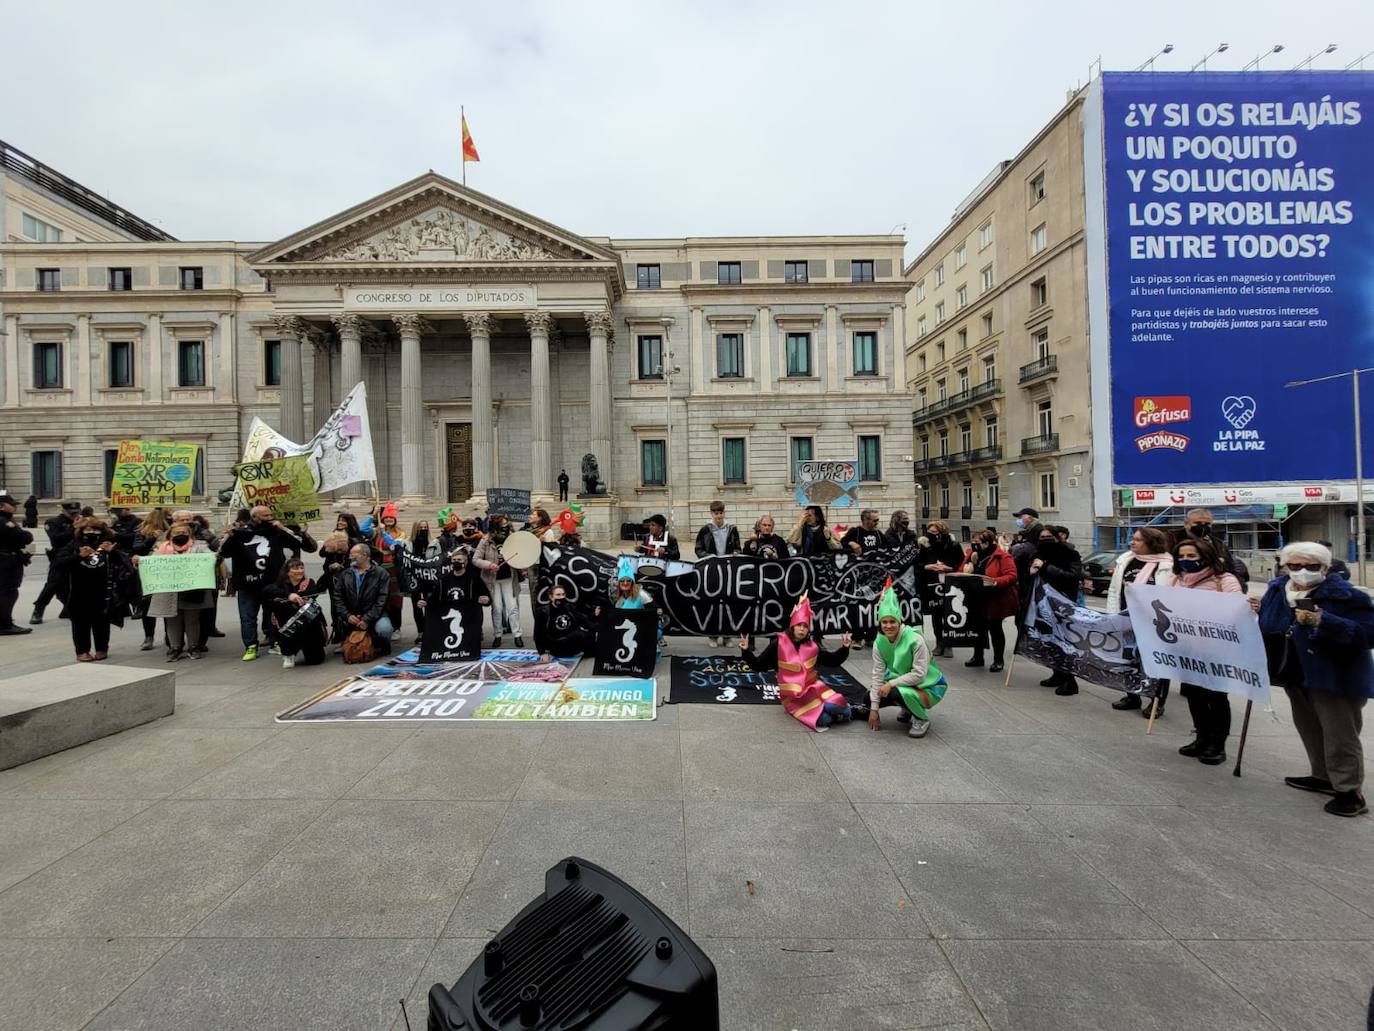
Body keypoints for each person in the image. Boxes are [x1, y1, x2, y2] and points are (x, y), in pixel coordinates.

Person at [1256, 541, 1373, 817]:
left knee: (1340, 734)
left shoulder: (1346, 596)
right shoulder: (1276, 590)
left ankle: (1349, 790)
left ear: (1325, 568)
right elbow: (1270, 625)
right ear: (1285, 567)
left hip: (1335, 675)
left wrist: (1324, 621)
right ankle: (1322, 775)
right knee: (1309, 726)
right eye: (1295, 566)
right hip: (1294, 671)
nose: (1302, 571)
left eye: (1311, 566)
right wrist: (1257, 610)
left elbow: (1368, 633)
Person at [1165, 537, 1243, 765]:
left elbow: (1235, 607)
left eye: (1192, 556)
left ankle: (1218, 745)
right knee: (1195, 695)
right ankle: (1201, 737)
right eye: (1182, 556)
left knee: (1216, 697)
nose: (1186, 560)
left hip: (1216, 650)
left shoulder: (1224, 580)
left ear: (1205, 556)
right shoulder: (1175, 580)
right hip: (1187, 649)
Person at [737, 595, 859, 731]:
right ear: (793, 626)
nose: (802, 629)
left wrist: (844, 648)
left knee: (836, 706)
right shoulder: (778, 644)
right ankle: (834, 713)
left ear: (808, 630)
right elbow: (758, 665)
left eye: (805, 626)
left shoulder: (813, 646)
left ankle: (848, 710)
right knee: (824, 720)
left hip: (814, 689)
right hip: (793, 697)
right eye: (799, 625)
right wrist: (746, 651)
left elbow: (832, 661)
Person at [1103, 527, 1174, 712]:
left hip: (1154, 623)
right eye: (1132, 539)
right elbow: (1114, 590)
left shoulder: (1167, 565)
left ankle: (1156, 701)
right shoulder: (1126, 560)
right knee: (1127, 660)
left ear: (1152, 543)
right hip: (1127, 619)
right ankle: (1131, 696)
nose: (1132, 542)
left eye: (1138, 540)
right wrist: (1113, 615)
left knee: (1155, 663)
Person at [220, 505, 302, 661]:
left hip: (272, 583)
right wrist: (228, 536)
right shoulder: (240, 533)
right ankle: (251, 646)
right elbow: (223, 552)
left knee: (273, 614)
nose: (270, 517)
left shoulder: (276, 530)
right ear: (255, 517)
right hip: (247, 584)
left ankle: (275, 642)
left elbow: (297, 543)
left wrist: (283, 528)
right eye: (265, 515)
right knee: (247, 616)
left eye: (271, 514)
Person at [868, 582, 947, 739]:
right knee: (868, 698)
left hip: (929, 686)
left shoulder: (915, 639)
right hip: (903, 682)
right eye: (884, 622)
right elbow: (877, 674)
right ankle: (907, 707)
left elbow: (919, 675)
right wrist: (874, 709)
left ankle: (921, 719)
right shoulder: (879, 642)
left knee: (895, 691)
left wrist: (890, 684)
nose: (888, 626)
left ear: (899, 621)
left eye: (892, 622)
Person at [53, 517, 135, 661]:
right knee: (80, 624)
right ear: (81, 531)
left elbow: (126, 565)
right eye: (88, 530)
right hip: (78, 592)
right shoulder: (73, 545)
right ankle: (82, 651)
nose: (91, 533)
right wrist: (78, 556)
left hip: (104, 591)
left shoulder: (108, 545)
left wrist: (113, 551)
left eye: (96, 530)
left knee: (102, 623)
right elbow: (58, 564)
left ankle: (102, 648)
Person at [141, 521, 215, 661]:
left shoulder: (199, 546)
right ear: (170, 534)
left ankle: (193, 646)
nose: (180, 535)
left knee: (192, 620)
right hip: (168, 590)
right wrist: (140, 560)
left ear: (190, 534)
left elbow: (210, 557)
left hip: (192, 588)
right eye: (177, 533)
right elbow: (150, 563)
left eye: (184, 533)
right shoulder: (160, 548)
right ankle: (175, 647)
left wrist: (214, 558)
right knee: (171, 620)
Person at [1030, 525, 1086, 696]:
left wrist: (1046, 566)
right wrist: (1031, 571)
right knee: (1049, 641)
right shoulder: (1037, 554)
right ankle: (1057, 673)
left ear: (1057, 537)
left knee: (1064, 642)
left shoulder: (1070, 553)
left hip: (1063, 603)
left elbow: (1072, 577)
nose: (1044, 540)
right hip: (1043, 604)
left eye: (1048, 537)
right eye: (1042, 537)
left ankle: (1070, 681)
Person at [961, 529, 1017, 672]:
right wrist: (968, 566)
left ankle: (998, 660)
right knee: (977, 627)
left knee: (995, 628)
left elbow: (1011, 576)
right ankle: (978, 656)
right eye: (973, 542)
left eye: (977, 543)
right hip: (975, 596)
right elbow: (962, 570)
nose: (974, 546)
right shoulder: (973, 555)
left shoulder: (1002, 556)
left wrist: (995, 581)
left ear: (987, 543)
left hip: (993, 598)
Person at [331, 543, 396, 654]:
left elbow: (382, 600)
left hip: (375, 614)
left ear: (365, 555)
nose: (350, 557)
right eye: (350, 554)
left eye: (353, 554)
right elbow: (337, 598)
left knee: (384, 628)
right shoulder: (345, 574)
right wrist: (347, 615)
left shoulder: (381, 574)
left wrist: (367, 618)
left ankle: (380, 644)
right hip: (352, 615)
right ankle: (352, 641)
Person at [264, 558, 328, 668]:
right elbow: (267, 590)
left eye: (301, 568)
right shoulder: (279, 585)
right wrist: (288, 595)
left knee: (315, 660)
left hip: (309, 626)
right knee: (283, 620)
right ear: (287, 571)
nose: (300, 571)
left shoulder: (309, 582)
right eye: (295, 568)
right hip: (287, 624)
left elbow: (316, 591)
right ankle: (288, 653)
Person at [473, 513, 524, 647]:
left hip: (509, 578)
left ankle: (517, 635)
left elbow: (520, 555)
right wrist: (489, 565)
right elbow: (475, 559)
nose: (505, 528)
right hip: (492, 580)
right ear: (495, 527)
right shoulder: (486, 540)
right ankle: (498, 635)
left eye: (506, 525)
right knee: (497, 608)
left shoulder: (512, 539)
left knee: (512, 607)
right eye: (502, 525)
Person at [695, 501, 740, 645]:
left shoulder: (732, 529)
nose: (719, 516)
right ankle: (713, 635)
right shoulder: (705, 530)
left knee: (729, 602)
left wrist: (735, 553)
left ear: (724, 513)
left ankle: (727, 635)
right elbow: (698, 549)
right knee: (712, 602)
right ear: (712, 514)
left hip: (728, 570)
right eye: (716, 513)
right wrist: (708, 557)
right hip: (712, 571)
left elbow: (738, 547)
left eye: (721, 513)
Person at [29, 500, 81, 624]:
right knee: (53, 584)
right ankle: (38, 609)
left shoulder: (82, 521)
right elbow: (56, 540)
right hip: (60, 557)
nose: (74, 515)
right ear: (63, 511)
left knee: (74, 585)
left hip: (77, 555)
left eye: (76, 513)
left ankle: (68, 608)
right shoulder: (53, 522)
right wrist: (74, 528)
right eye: (71, 513)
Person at [360, 501, 408, 637]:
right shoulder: (375, 532)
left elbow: (394, 546)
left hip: (393, 569)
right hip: (378, 569)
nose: (388, 519)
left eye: (391, 518)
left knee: (395, 599)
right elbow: (361, 529)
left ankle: (396, 627)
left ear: (395, 519)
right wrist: (372, 515)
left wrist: (384, 534)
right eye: (386, 517)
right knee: (380, 598)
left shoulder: (401, 533)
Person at [918, 519, 965, 657]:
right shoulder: (924, 546)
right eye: (929, 532)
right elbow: (918, 564)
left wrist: (949, 568)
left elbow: (961, 565)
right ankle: (939, 642)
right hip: (932, 584)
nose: (931, 534)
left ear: (942, 532)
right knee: (936, 615)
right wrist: (928, 567)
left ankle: (949, 643)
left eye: (934, 532)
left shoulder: (954, 545)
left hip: (949, 583)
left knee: (949, 612)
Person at [130, 508, 172, 651]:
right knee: (147, 604)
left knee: (167, 603)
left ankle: (168, 636)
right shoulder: (143, 532)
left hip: (166, 572)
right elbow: (137, 549)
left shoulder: (173, 532)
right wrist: (152, 538)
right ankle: (150, 636)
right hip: (149, 572)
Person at [1183, 508, 1249, 588]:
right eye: (1198, 523)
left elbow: (1230, 569)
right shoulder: (1174, 543)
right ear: (1186, 524)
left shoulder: (1219, 545)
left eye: (1207, 524)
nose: (1203, 526)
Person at [0, 492, 34, 635]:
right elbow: (24, 537)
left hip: (8, 560)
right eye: (11, 504)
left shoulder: (7, 520)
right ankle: (4, 624)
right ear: (1, 506)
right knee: (8, 593)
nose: (14, 507)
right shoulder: (3, 521)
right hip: (5, 563)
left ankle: (5, 622)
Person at [534, 584, 593, 662]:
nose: (561, 597)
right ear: (551, 597)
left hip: (572, 642)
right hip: (556, 646)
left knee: (590, 635)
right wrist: (542, 653)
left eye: (563, 594)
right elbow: (537, 635)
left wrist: (595, 618)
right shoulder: (542, 612)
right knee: (578, 634)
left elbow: (584, 621)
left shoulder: (569, 607)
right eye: (558, 595)